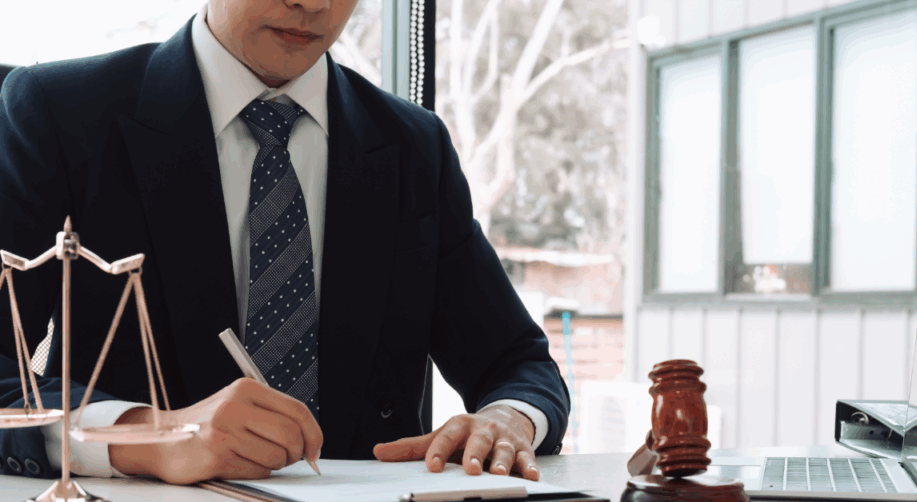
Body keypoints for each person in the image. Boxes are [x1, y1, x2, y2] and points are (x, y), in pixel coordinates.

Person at [0, 0, 569, 484]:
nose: (312, 2)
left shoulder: (415, 146)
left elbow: (518, 363)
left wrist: (508, 419)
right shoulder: (61, 114)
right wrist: (153, 436)